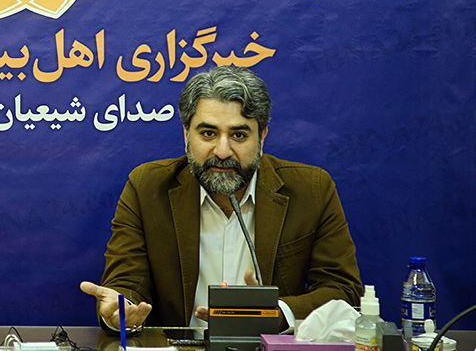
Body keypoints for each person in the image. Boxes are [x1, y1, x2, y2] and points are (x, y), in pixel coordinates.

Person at [81, 65, 362, 331]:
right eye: (208, 134)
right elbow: (127, 282)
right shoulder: (147, 188)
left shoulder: (311, 190)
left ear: (262, 137)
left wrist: (276, 313)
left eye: (238, 135)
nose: (223, 151)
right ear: (186, 134)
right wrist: (122, 311)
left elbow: (342, 289)